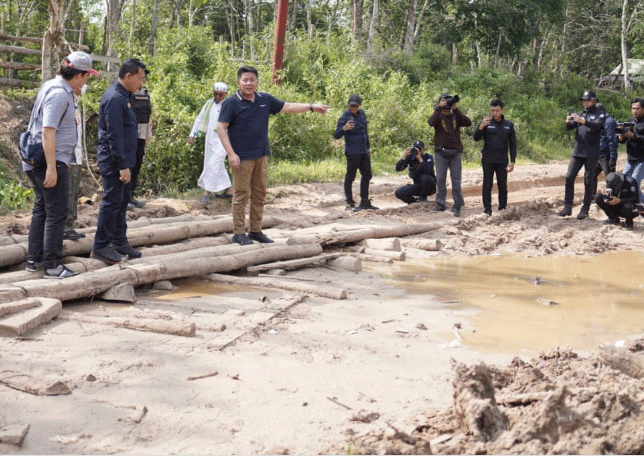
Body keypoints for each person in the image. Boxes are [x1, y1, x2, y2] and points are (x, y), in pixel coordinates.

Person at [217, 66, 331, 246]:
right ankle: (239, 233)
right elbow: (221, 128)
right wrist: (231, 154)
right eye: (245, 80)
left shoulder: (265, 99)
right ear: (238, 82)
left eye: (252, 79)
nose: (249, 83)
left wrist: (311, 107)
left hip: (261, 155)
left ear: (257, 81)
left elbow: (288, 107)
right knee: (241, 195)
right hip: (241, 157)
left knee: (260, 194)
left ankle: (255, 230)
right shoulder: (231, 103)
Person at [24, 51, 97, 278]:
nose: (87, 81)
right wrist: (53, 168)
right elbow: (48, 131)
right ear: (78, 75)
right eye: (87, 76)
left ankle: (34, 259)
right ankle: (53, 265)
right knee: (57, 213)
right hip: (50, 160)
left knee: (42, 209)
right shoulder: (58, 94)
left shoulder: (52, 87)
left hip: (45, 159)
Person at [91, 58, 148, 264]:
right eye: (140, 78)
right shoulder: (115, 98)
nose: (141, 83)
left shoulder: (126, 96)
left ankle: (119, 241)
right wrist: (122, 165)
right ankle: (101, 246)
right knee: (111, 203)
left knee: (122, 202)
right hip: (116, 162)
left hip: (125, 160)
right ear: (128, 76)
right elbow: (113, 136)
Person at [557, 89, 605, 219]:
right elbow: (570, 127)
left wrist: (584, 121)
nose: (585, 102)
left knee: (588, 181)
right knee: (569, 177)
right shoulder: (580, 113)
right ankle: (567, 206)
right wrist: (568, 121)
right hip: (577, 151)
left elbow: (598, 126)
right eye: (583, 100)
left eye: (588, 100)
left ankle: (585, 208)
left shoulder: (600, 113)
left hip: (591, 153)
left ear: (594, 101)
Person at [428, 93, 472, 217]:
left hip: (456, 152)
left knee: (456, 180)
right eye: (444, 101)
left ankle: (457, 204)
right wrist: (438, 108)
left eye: (448, 101)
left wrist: (456, 109)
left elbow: (468, 122)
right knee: (441, 179)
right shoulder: (438, 116)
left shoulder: (455, 116)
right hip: (441, 152)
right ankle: (440, 204)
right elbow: (430, 122)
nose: (447, 104)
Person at [189, 82, 232, 203]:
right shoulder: (208, 104)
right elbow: (200, 119)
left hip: (224, 140)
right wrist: (193, 134)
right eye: (216, 94)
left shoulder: (229, 105)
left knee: (213, 163)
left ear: (225, 94)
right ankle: (229, 190)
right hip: (210, 138)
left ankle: (206, 192)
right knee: (216, 163)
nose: (218, 97)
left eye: (221, 95)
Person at [473, 98, 517, 216]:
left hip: (502, 160)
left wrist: (512, 161)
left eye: (497, 111)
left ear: (502, 110)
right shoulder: (486, 122)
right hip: (488, 159)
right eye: (492, 111)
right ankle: (487, 209)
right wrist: (481, 126)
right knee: (487, 184)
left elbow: (513, 144)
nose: (495, 113)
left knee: (502, 185)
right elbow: (476, 138)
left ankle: (502, 208)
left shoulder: (508, 125)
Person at [334, 94, 378, 211]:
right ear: (348, 104)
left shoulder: (362, 114)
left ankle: (364, 201)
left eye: (356, 106)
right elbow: (336, 134)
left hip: (363, 151)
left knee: (367, 175)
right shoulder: (345, 117)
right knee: (350, 177)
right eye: (352, 106)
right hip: (352, 152)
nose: (354, 108)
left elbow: (365, 132)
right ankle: (349, 203)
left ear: (360, 105)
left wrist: (368, 147)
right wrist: (344, 128)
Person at [63, 83, 88, 241]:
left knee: (73, 192)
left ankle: (69, 224)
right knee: (68, 192)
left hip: (76, 155)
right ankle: (64, 227)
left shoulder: (75, 103)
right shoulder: (64, 101)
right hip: (69, 157)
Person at [128, 82, 153, 209]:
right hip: (129, 134)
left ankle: (131, 196)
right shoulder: (126, 93)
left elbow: (147, 117)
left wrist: (147, 137)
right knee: (128, 166)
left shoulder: (145, 92)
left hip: (141, 135)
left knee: (137, 165)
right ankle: (124, 198)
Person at [618, 97, 644, 203]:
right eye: (633, 108)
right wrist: (621, 136)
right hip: (630, 158)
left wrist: (633, 136)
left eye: (637, 108)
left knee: (634, 184)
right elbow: (623, 141)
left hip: (642, 159)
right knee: (624, 183)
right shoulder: (630, 121)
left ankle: (640, 207)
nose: (634, 111)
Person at [394, 140, 436, 204]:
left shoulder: (428, 157)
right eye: (416, 148)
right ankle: (414, 203)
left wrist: (420, 158)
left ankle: (423, 197)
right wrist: (404, 157)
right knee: (399, 192)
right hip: (418, 186)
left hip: (431, 187)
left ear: (424, 150)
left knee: (424, 176)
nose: (417, 151)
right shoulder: (411, 158)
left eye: (419, 149)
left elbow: (429, 170)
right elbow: (398, 169)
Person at [592, 103, 618, 198]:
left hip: (606, 155)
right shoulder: (598, 121)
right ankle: (592, 197)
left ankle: (612, 198)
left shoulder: (609, 122)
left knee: (610, 179)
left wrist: (613, 157)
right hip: (597, 154)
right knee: (591, 175)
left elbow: (612, 140)